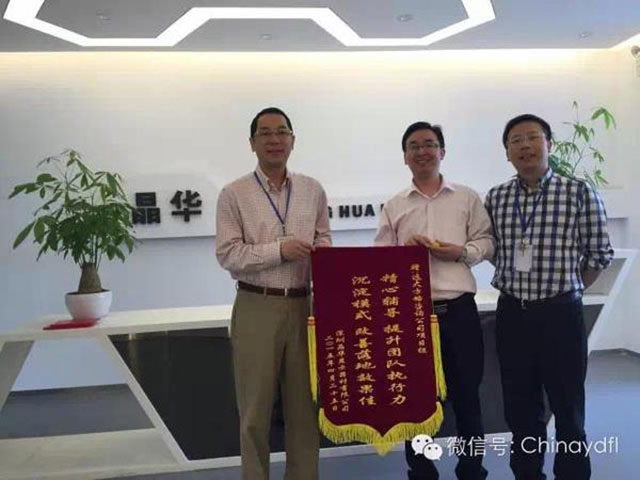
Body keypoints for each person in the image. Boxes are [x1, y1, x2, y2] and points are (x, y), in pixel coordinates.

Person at [485, 114, 614, 480]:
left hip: (561, 316)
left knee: (568, 407)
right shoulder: (496, 197)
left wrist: (567, 289)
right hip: (513, 315)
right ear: (507, 152)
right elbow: (496, 251)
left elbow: (598, 254)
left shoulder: (579, 192)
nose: (525, 146)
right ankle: (527, 474)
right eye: (515, 140)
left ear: (549, 144)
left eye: (533, 137)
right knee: (520, 408)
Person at [216, 107, 331, 480]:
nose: (274, 139)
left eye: (282, 132)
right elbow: (228, 254)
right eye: (265, 133)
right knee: (255, 411)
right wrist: (280, 250)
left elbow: (324, 238)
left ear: (293, 140)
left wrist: (326, 256)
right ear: (252, 143)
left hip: (304, 306)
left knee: (305, 408)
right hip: (256, 304)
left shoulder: (312, 190)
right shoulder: (234, 194)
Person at [375, 121, 494, 480]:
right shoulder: (395, 205)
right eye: (414, 146)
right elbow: (380, 259)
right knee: (416, 400)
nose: (422, 151)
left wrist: (461, 252)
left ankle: (471, 468)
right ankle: (422, 470)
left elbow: (486, 242)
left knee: (467, 395)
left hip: (458, 311)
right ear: (405, 157)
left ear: (442, 151)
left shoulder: (466, 198)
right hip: (412, 314)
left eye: (429, 144)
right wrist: (403, 252)